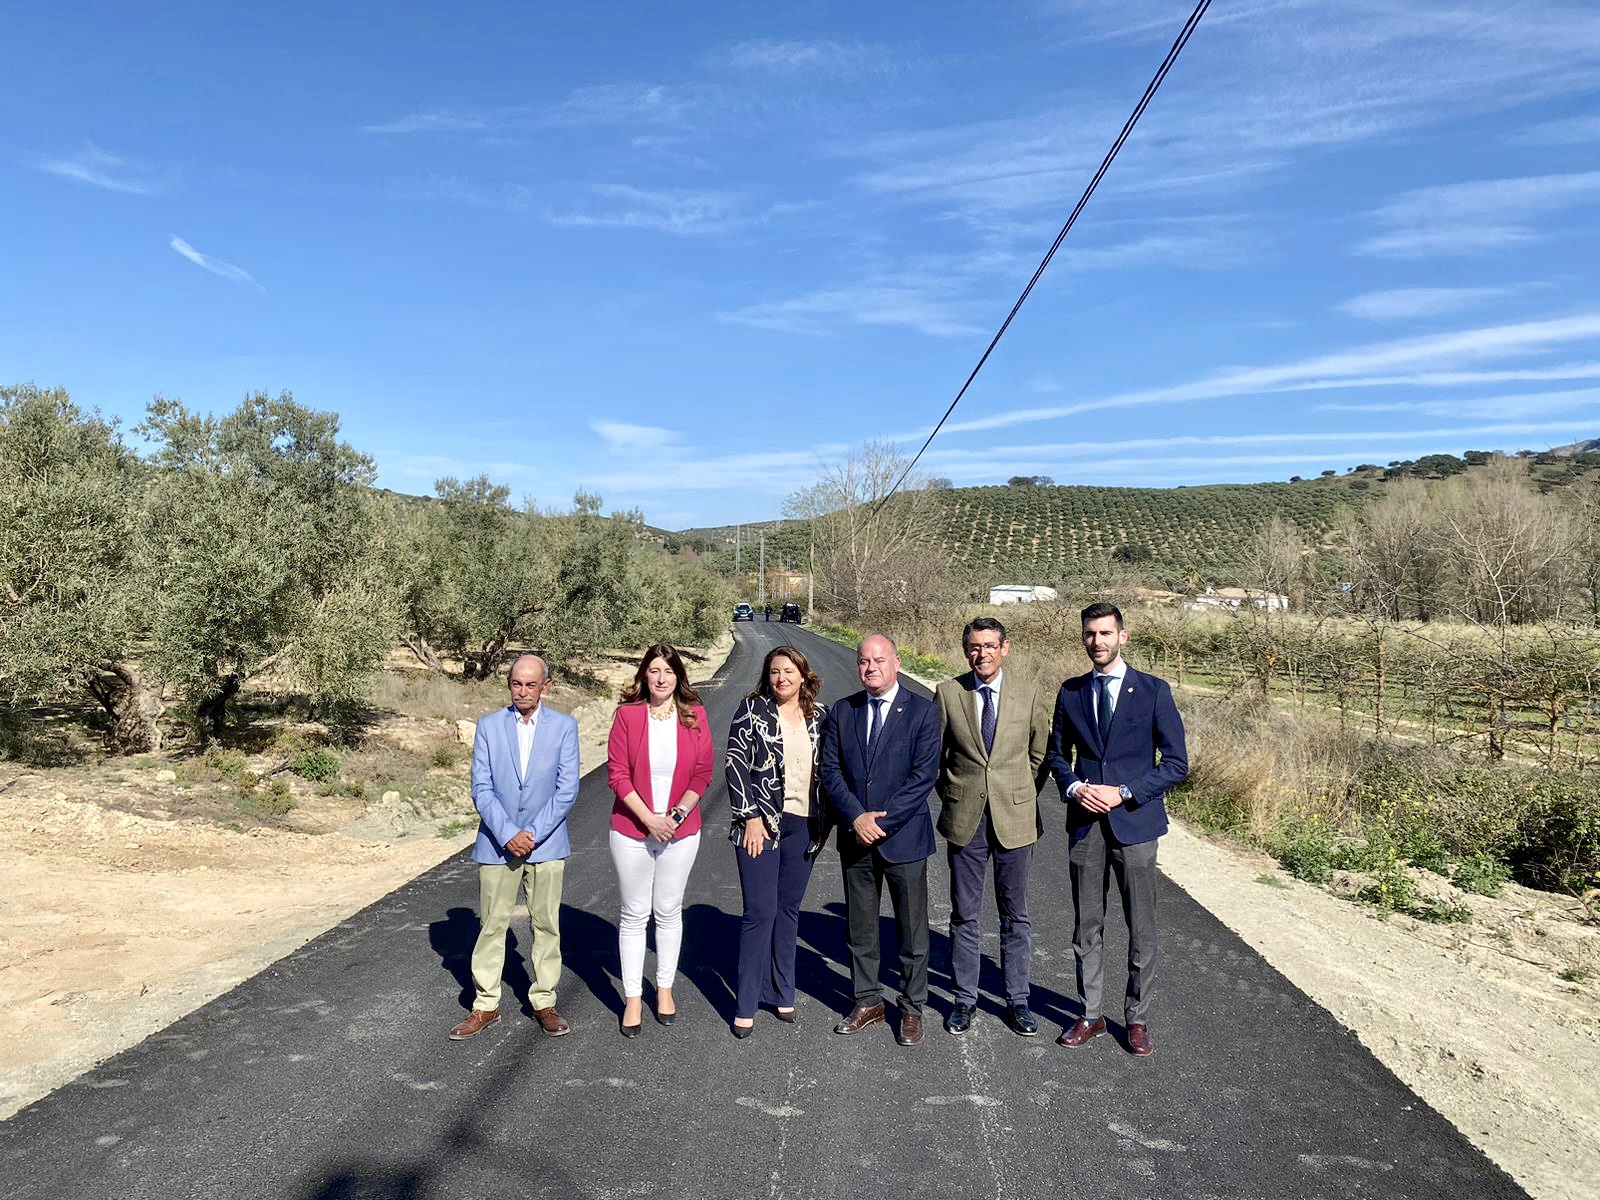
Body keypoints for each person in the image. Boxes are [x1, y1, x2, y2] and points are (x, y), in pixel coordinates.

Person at [1049, 602, 1188, 1057]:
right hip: (1086, 826)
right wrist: (1075, 788)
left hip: (1136, 825)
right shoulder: (1071, 692)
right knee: (1086, 925)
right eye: (1090, 634)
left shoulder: (1153, 691)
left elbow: (1176, 764)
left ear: (1122, 637)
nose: (1097, 641)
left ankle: (1137, 1018)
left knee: (1140, 926)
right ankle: (1090, 1014)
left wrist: (1125, 792)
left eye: (1105, 633)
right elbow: (1056, 756)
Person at [450, 654, 581, 1040]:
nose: (522, 691)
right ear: (509, 685)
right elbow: (481, 787)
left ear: (545, 686)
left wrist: (532, 833)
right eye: (516, 684)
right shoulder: (489, 726)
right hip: (497, 843)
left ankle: (544, 1001)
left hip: (547, 843)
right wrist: (508, 833)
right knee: (492, 924)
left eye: (530, 684)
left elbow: (567, 788)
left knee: (546, 924)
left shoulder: (564, 727)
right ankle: (485, 1004)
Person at [818, 633, 941, 1046]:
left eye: (879, 659)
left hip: (903, 838)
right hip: (856, 837)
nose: (871, 667)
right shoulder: (843, 711)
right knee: (860, 928)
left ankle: (911, 1007)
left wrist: (881, 822)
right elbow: (830, 771)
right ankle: (867, 1000)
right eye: (864, 661)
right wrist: (856, 816)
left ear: (897, 662)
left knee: (912, 931)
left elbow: (923, 776)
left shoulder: (923, 711)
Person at [934, 617, 1053, 1037]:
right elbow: (936, 758)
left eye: (988, 645)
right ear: (965, 650)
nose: (981, 653)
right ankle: (964, 999)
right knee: (965, 914)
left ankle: (1017, 1000)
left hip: (1016, 819)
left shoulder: (1029, 694)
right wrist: (956, 794)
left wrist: (1016, 793)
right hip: (965, 819)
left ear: (1005, 648)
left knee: (1015, 914)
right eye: (973, 646)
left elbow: (1040, 755)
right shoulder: (948, 693)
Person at [606, 644, 714, 1037]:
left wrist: (675, 817)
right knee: (634, 914)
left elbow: (703, 772)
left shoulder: (695, 715)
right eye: (654, 670)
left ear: (678, 676)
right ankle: (633, 997)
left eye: (668, 671)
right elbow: (617, 774)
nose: (661, 678)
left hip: (680, 832)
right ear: (644, 675)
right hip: (632, 830)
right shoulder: (628, 716)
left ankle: (664, 988)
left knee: (668, 910)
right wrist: (650, 819)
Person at [724, 645, 830, 1038]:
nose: (781, 678)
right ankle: (746, 1002)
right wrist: (749, 817)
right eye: (774, 671)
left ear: (803, 675)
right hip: (761, 825)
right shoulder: (752, 710)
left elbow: (830, 770)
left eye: (788, 671)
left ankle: (783, 990)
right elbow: (734, 763)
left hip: (805, 824)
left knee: (788, 911)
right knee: (759, 911)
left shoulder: (820, 716)